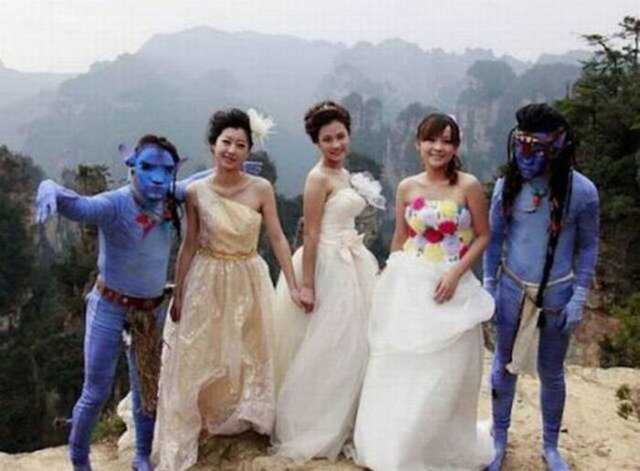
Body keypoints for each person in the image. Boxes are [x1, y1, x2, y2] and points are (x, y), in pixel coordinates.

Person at [35, 135, 210, 471]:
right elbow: (79, 206)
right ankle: (80, 460)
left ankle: (141, 456)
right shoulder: (114, 204)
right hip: (109, 305)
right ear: (132, 168)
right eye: (148, 167)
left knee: (146, 388)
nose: (157, 178)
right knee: (96, 390)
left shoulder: (171, 196)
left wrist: (233, 169)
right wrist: (50, 187)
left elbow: (198, 180)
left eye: (166, 170)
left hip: (150, 310)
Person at [153, 108, 301, 471]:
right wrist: (179, 292)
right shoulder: (196, 192)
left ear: (249, 150)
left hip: (248, 274)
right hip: (207, 275)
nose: (232, 150)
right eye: (226, 142)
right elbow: (189, 244)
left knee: (249, 344)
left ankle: (241, 412)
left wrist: (294, 283)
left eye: (240, 145)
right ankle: (204, 413)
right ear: (213, 145)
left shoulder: (261, 188)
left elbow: (277, 237)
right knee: (203, 346)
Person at [354, 113, 494, 470]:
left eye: (447, 141)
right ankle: (401, 446)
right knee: (405, 365)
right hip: (411, 281)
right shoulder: (407, 187)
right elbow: (401, 236)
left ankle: (435, 448)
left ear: (456, 147)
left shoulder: (468, 186)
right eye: (431, 140)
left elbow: (483, 235)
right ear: (418, 144)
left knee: (446, 372)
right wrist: (388, 275)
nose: (438, 147)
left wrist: (456, 273)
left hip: (453, 282)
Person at [483, 103, 599, 471]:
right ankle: (499, 439)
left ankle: (550, 445)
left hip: (557, 294)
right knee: (504, 365)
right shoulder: (507, 186)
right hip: (512, 289)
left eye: (536, 148)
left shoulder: (582, 192)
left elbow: (588, 246)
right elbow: (494, 240)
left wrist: (579, 296)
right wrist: (489, 284)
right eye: (521, 145)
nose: (526, 155)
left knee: (552, 371)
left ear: (558, 147)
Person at [271, 101, 384, 462]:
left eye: (340, 136)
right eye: (327, 139)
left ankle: (350, 418)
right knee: (327, 344)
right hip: (326, 264)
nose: (336, 144)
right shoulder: (317, 178)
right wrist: (308, 285)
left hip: (353, 261)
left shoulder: (344, 173)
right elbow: (312, 232)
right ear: (316, 142)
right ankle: (314, 422)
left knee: (355, 343)